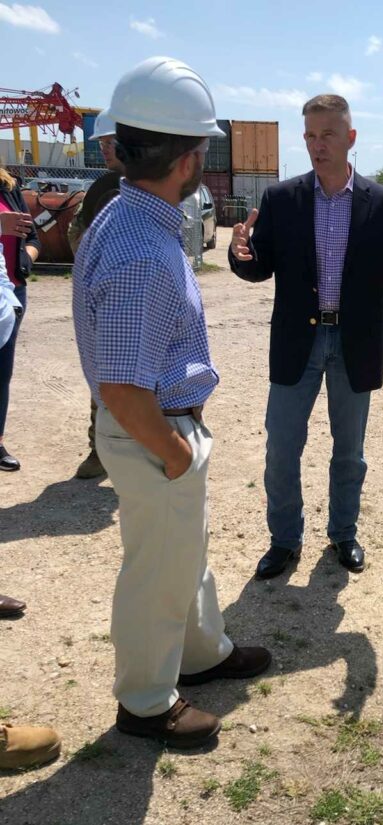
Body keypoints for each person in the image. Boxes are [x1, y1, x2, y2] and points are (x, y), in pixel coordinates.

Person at [72, 56, 271, 748]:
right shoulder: (143, 249)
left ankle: (200, 651)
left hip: (161, 429)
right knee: (158, 569)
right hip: (153, 432)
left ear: (122, 145)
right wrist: (177, 454)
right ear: (190, 159)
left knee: (183, 553)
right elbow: (126, 390)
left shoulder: (132, 217)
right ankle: (147, 700)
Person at [229, 94, 383, 580]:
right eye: (309, 136)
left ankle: (344, 534)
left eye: (326, 135)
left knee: (349, 452)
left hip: (354, 343)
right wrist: (241, 255)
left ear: (350, 138)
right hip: (295, 344)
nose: (316, 145)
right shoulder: (281, 199)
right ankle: (285, 539)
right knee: (281, 447)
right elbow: (259, 265)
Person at [68, 111, 125, 480]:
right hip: (104, 300)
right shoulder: (101, 189)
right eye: (102, 144)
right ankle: (99, 449)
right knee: (102, 377)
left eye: (109, 144)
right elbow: (78, 235)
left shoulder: (153, 188)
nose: (104, 150)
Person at [0, 167, 40, 471]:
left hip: (11, 293)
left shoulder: (7, 185)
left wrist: (26, 258)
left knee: (2, 373)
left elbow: (34, 238)